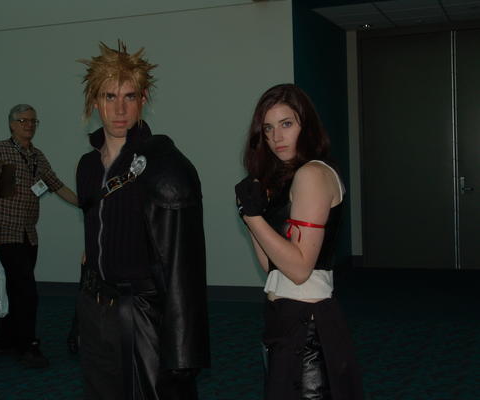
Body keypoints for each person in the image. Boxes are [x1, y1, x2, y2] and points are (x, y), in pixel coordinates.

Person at [75, 41, 210, 400]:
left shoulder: (162, 166)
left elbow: (184, 264)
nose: (119, 109)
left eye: (130, 96)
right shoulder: (87, 167)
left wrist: (181, 343)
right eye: (109, 96)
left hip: (141, 312)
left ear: (144, 99)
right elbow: (94, 232)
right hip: (94, 309)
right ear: (95, 101)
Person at [235, 84, 363, 400]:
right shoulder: (288, 178)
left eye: (286, 124)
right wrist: (252, 217)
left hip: (307, 325)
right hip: (285, 317)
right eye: (268, 128)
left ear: (307, 126)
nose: (276, 137)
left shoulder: (312, 174)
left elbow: (300, 269)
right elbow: (271, 266)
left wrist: (253, 218)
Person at [0, 103, 78, 368]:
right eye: (23, 121)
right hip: (6, 234)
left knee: (14, 290)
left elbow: (57, 186)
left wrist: (85, 203)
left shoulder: (37, 156)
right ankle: (28, 347)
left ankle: (2, 341)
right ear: (12, 124)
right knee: (27, 292)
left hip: (29, 235)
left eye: (33, 121)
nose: (29, 125)